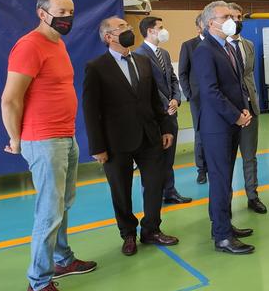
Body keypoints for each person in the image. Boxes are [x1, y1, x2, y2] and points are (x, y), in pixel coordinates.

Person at [1, 0, 96, 291]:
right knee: (49, 211)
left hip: (65, 137)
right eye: (61, 12)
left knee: (64, 203)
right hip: (43, 140)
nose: (67, 17)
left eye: (70, 12)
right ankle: (38, 284)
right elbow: (10, 99)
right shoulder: (29, 46)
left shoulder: (58, 44)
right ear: (42, 13)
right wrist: (17, 139)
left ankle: (62, 259)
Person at [83, 17, 179, 257]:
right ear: (109, 37)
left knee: (155, 184)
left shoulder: (143, 61)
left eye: (127, 26)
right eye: (122, 28)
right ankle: (128, 233)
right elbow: (90, 110)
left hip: (149, 135)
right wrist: (97, 147)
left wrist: (166, 127)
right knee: (120, 189)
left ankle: (151, 229)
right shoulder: (96, 67)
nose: (128, 30)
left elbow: (155, 100)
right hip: (116, 141)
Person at [194, 1, 256, 255]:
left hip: (230, 122)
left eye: (232, 15)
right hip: (217, 126)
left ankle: (223, 225)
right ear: (212, 23)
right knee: (220, 180)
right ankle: (222, 236)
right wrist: (236, 116)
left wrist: (243, 110)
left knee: (225, 178)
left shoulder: (227, 47)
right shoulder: (204, 50)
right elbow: (210, 92)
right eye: (226, 16)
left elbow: (237, 85)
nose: (231, 19)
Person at [135, 16, 191, 204]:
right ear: (150, 31)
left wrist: (176, 98)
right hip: (155, 115)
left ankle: (170, 191)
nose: (164, 30)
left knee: (169, 156)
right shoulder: (139, 55)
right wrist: (165, 102)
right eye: (161, 27)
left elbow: (173, 79)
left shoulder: (164, 54)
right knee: (153, 159)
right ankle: (153, 195)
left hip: (170, 114)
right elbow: (148, 86)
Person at [227, 2, 267, 214]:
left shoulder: (249, 45)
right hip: (228, 112)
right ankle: (226, 201)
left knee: (250, 156)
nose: (236, 21)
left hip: (250, 107)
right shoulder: (219, 47)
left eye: (239, 16)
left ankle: (253, 196)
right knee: (227, 159)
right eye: (231, 17)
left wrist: (253, 103)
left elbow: (248, 76)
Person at [179, 15, 209, 184]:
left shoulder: (219, 44)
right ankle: (202, 169)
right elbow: (182, 72)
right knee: (200, 134)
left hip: (217, 97)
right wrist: (190, 94)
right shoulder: (189, 46)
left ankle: (215, 166)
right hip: (198, 98)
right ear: (198, 27)